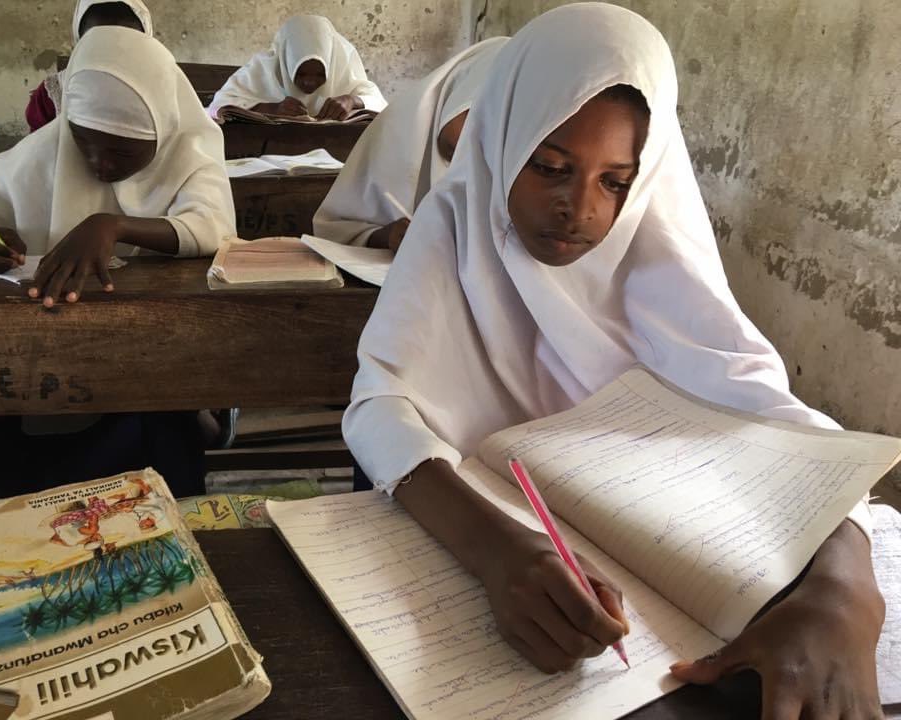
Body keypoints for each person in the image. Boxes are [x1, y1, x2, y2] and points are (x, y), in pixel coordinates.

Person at [341, 4, 883, 718]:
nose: (579, 208)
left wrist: (845, 594)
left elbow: (783, 425)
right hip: (479, 550)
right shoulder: (454, 225)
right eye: (551, 167)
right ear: (504, 138)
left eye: (614, 181)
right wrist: (496, 548)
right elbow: (379, 403)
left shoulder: (655, 251)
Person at [0, 26, 235, 307]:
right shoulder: (43, 152)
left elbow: (214, 227)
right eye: (82, 141)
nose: (100, 164)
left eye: (122, 150)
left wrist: (113, 226)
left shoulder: (189, 152)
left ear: (164, 132)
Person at [313, 37, 507, 252]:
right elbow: (334, 229)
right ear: (455, 93)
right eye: (471, 117)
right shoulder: (396, 133)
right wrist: (384, 235)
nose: (475, 140)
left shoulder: (509, 161)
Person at [207, 15, 387, 121]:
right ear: (285, 61)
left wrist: (351, 100)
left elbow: (381, 104)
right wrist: (271, 109)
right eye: (300, 73)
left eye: (320, 74)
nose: (309, 82)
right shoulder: (263, 68)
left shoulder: (341, 67)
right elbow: (216, 107)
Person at [25, 0, 153, 134]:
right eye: (98, 42)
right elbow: (36, 151)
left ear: (145, 41)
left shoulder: (164, 93)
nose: (112, 54)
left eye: (128, 42)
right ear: (80, 41)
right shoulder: (51, 97)